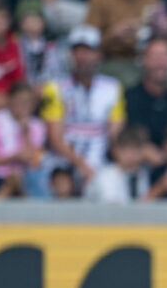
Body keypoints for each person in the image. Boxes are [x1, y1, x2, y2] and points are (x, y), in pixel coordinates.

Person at [39, 24, 125, 184]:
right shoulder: (54, 88)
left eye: (88, 51)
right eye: (77, 51)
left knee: (112, 181)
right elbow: (56, 139)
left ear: (99, 54)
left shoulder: (112, 88)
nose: (82, 57)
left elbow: (115, 135)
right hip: (64, 163)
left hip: (101, 161)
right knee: (63, 183)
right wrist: (83, 166)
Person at [84, 0, 161, 86]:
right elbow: (86, 43)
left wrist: (165, 30)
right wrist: (112, 35)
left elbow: (160, 40)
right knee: (134, 82)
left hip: (145, 61)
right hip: (110, 60)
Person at [125, 36, 167, 168]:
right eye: (154, 56)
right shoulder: (129, 98)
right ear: (143, 59)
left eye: (165, 55)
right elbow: (127, 138)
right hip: (136, 167)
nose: (160, 62)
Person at [0, 81, 47, 197]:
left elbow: (36, 161)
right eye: (19, 101)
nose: (24, 106)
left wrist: (25, 133)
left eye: (28, 102)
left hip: (27, 180)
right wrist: (13, 157)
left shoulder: (38, 126)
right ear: (9, 100)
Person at [83, 124, 151, 203]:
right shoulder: (105, 176)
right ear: (117, 150)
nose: (134, 156)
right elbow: (112, 206)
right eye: (130, 150)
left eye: (137, 151)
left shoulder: (141, 174)